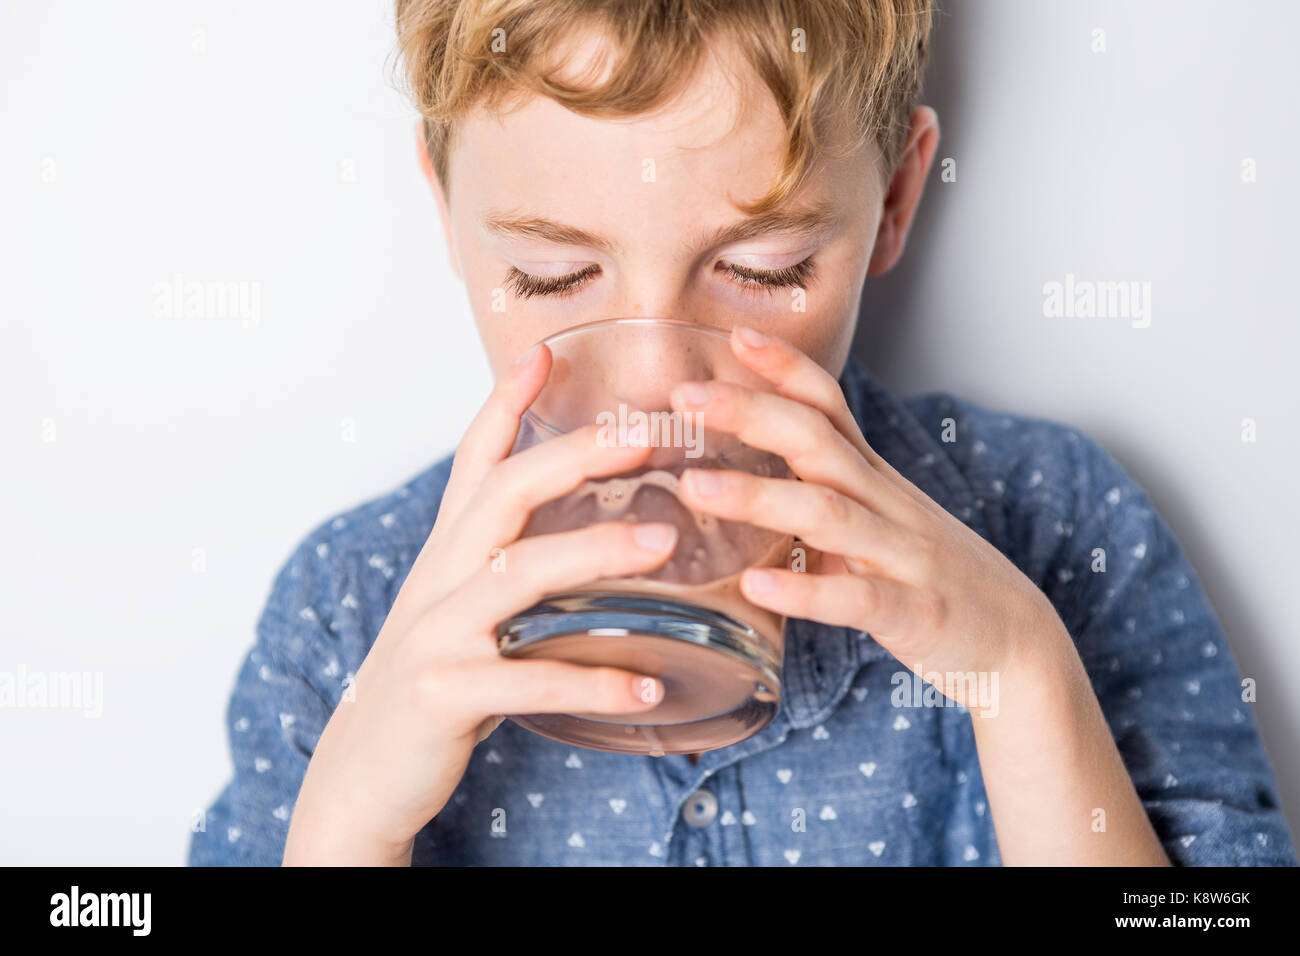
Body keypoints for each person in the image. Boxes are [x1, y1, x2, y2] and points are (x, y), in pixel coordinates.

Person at [189, 0, 1296, 866]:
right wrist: (347, 830)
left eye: (762, 271)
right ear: (445, 214)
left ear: (896, 199)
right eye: (552, 274)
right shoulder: (348, 613)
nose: (654, 383)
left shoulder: (1053, 527)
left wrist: (1021, 674)